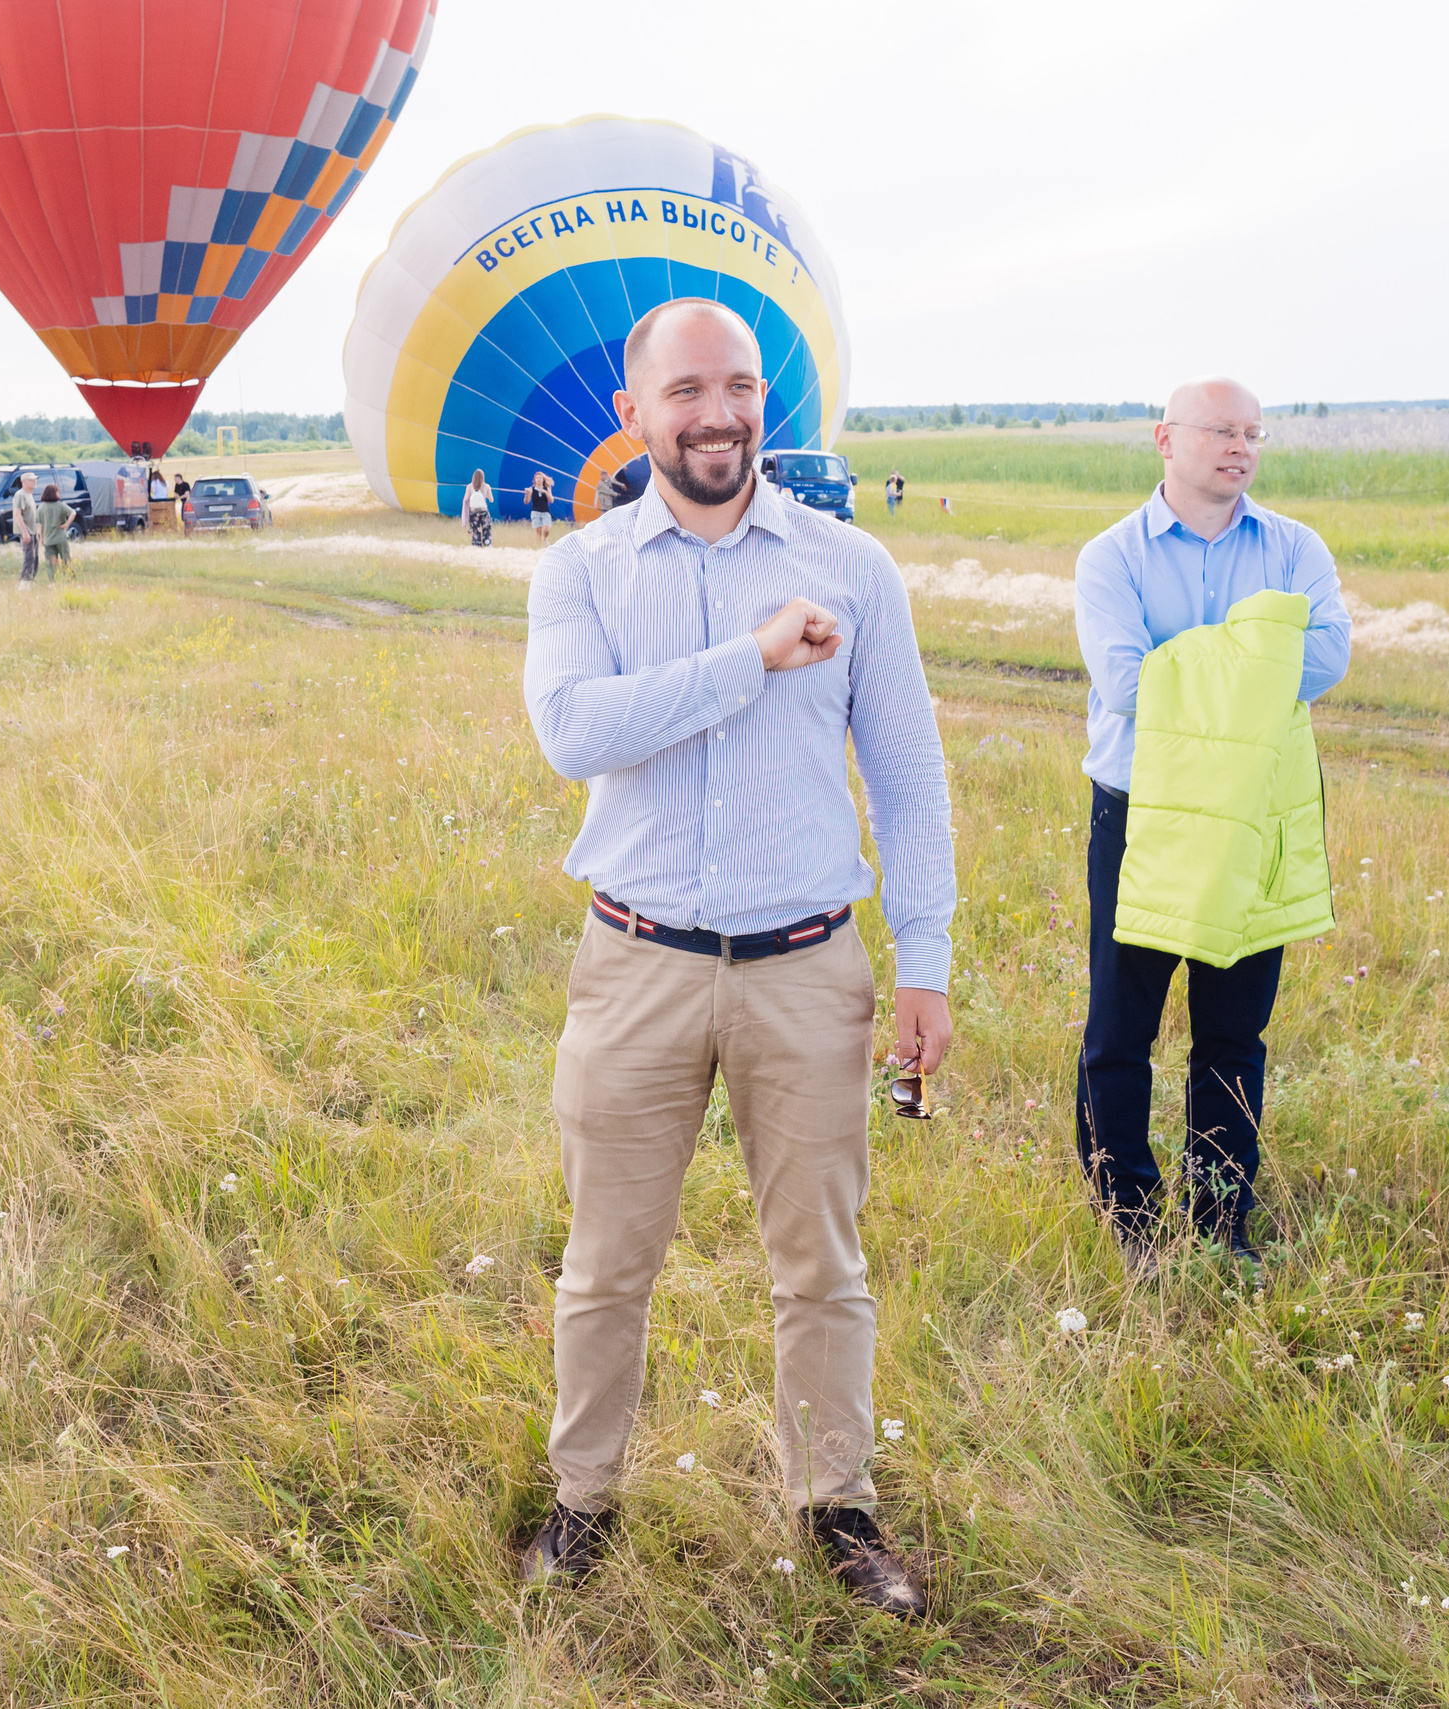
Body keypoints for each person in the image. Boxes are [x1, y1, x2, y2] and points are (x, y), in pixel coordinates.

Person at [518, 297, 951, 1615]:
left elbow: (908, 775)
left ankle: (839, 1509)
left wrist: (925, 961)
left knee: (821, 1263)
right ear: (633, 415)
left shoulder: (852, 568)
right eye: (689, 390)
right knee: (607, 1261)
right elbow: (576, 733)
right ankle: (582, 1503)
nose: (718, 414)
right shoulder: (583, 572)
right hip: (637, 962)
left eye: (742, 386)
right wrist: (750, 658)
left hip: (807, 968)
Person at [1072, 376, 1351, 1269]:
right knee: (1122, 1027)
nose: (1240, 446)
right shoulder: (1110, 557)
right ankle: (1130, 1217)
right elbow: (1124, 685)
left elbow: (1329, 656)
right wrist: (1257, 652)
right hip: (1141, 810)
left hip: (1254, 813)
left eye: (1253, 433)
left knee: (1234, 1032)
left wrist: (1192, 664)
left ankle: (1221, 1215)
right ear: (1165, 437)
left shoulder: (1296, 548)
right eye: (1221, 429)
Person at [36, 482, 75, 579]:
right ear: (54, 493)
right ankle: (70, 579)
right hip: (60, 538)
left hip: (48, 540)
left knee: (51, 563)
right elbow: (73, 513)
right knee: (66, 560)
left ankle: (53, 582)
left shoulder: (41, 508)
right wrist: (67, 524)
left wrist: (41, 538)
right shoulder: (60, 505)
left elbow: (39, 525)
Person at [11, 472, 40, 584]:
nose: (34, 482)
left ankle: (31, 581)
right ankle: (24, 583)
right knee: (29, 558)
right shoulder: (20, 495)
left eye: (34, 479)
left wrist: (37, 531)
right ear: (23, 482)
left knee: (35, 558)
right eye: (31, 480)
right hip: (26, 532)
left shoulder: (29, 494)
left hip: (33, 531)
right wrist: (24, 532)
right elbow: (17, 514)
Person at [463, 469, 494, 546]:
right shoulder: (486, 486)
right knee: (486, 529)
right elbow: (491, 500)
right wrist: (486, 494)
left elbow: (466, 498)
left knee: (475, 530)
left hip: (473, 512)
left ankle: (476, 544)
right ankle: (487, 542)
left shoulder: (469, 486)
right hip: (484, 511)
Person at [529, 471, 554, 541]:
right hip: (535, 511)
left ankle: (545, 539)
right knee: (538, 531)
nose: (539, 479)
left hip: (545, 512)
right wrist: (527, 494)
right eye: (537, 478)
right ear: (535, 480)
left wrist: (545, 492)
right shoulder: (532, 489)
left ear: (543, 480)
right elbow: (527, 501)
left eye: (540, 478)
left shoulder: (547, 488)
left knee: (546, 529)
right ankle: (538, 546)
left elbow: (551, 500)